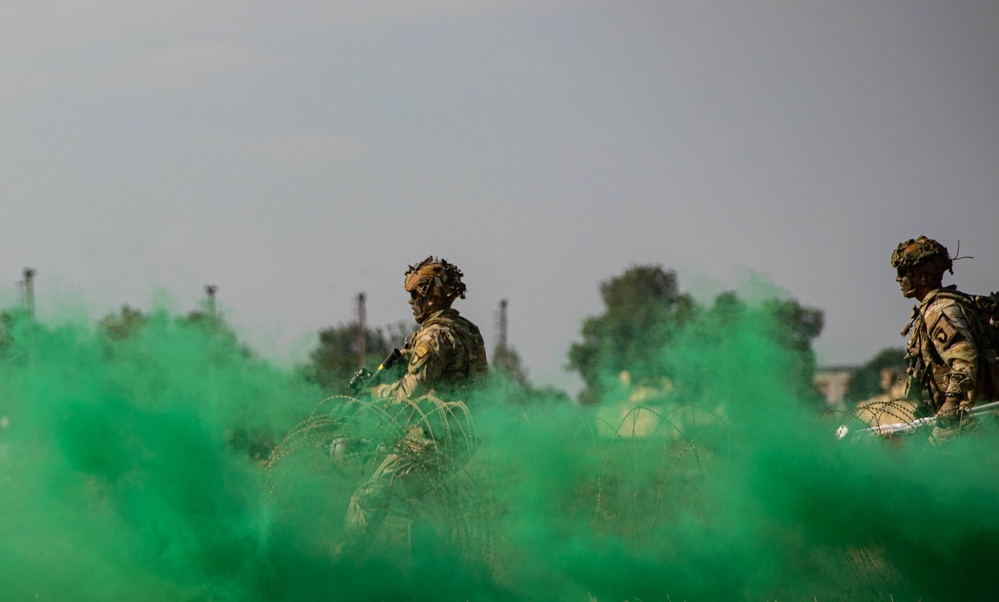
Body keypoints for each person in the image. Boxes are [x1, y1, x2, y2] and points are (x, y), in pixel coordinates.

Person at [333, 256, 487, 562]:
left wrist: (373, 395)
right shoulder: (468, 331)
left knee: (369, 499)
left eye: (416, 295)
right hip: (457, 438)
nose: (412, 302)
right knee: (409, 508)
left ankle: (339, 576)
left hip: (430, 441)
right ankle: (421, 583)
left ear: (433, 296)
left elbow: (409, 393)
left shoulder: (432, 337)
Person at [892, 236, 999, 444]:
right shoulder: (936, 308)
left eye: (903, 273)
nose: (898, 279)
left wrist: (951, 403)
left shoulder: (939, 311)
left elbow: (964, 357)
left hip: (967, 419)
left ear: (923, 277)